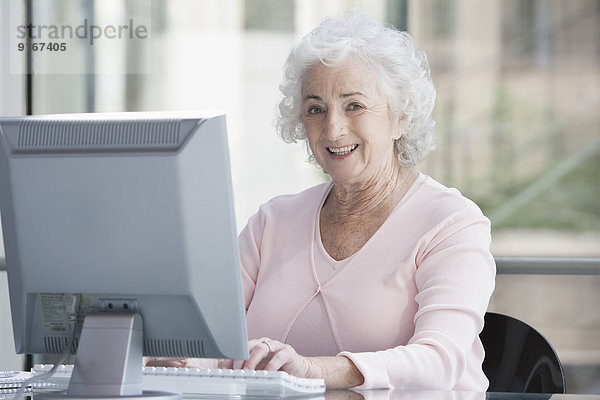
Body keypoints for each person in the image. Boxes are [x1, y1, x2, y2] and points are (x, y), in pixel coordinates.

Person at [151, 11, 496, 391]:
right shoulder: (272, 222)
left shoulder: (452, 223)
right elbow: (213, 341)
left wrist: (311, 371)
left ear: (401, 117)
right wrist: (175, 359)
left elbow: (438, 361)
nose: (333, 129)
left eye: (355, 106)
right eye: (316, 109)